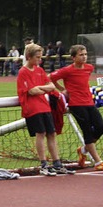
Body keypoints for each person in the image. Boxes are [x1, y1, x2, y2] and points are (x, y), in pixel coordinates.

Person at [17, 43, 75, 176]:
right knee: (41, 133)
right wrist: (43, 88)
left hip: (44, 106)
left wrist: (41, 88)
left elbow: (50, 86)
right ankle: (43, 164)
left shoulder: (40, 70)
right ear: (29, 57)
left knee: (51, 133)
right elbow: (31, 91)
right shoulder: (23, 72)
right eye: (37, 57)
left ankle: (57, 163)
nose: (40, 60)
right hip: (32, 108)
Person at [49, 44, 103, 171]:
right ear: (73, 57)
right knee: (87, 131)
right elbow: (50, 77)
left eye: (85, 54)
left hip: (89, 102)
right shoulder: (67, 70)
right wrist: (62, 89)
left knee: (100, 126)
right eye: (81, 55)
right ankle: (97, 161)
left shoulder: (89, 68)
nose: (84, 57)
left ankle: (83, 149)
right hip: (76, 104)